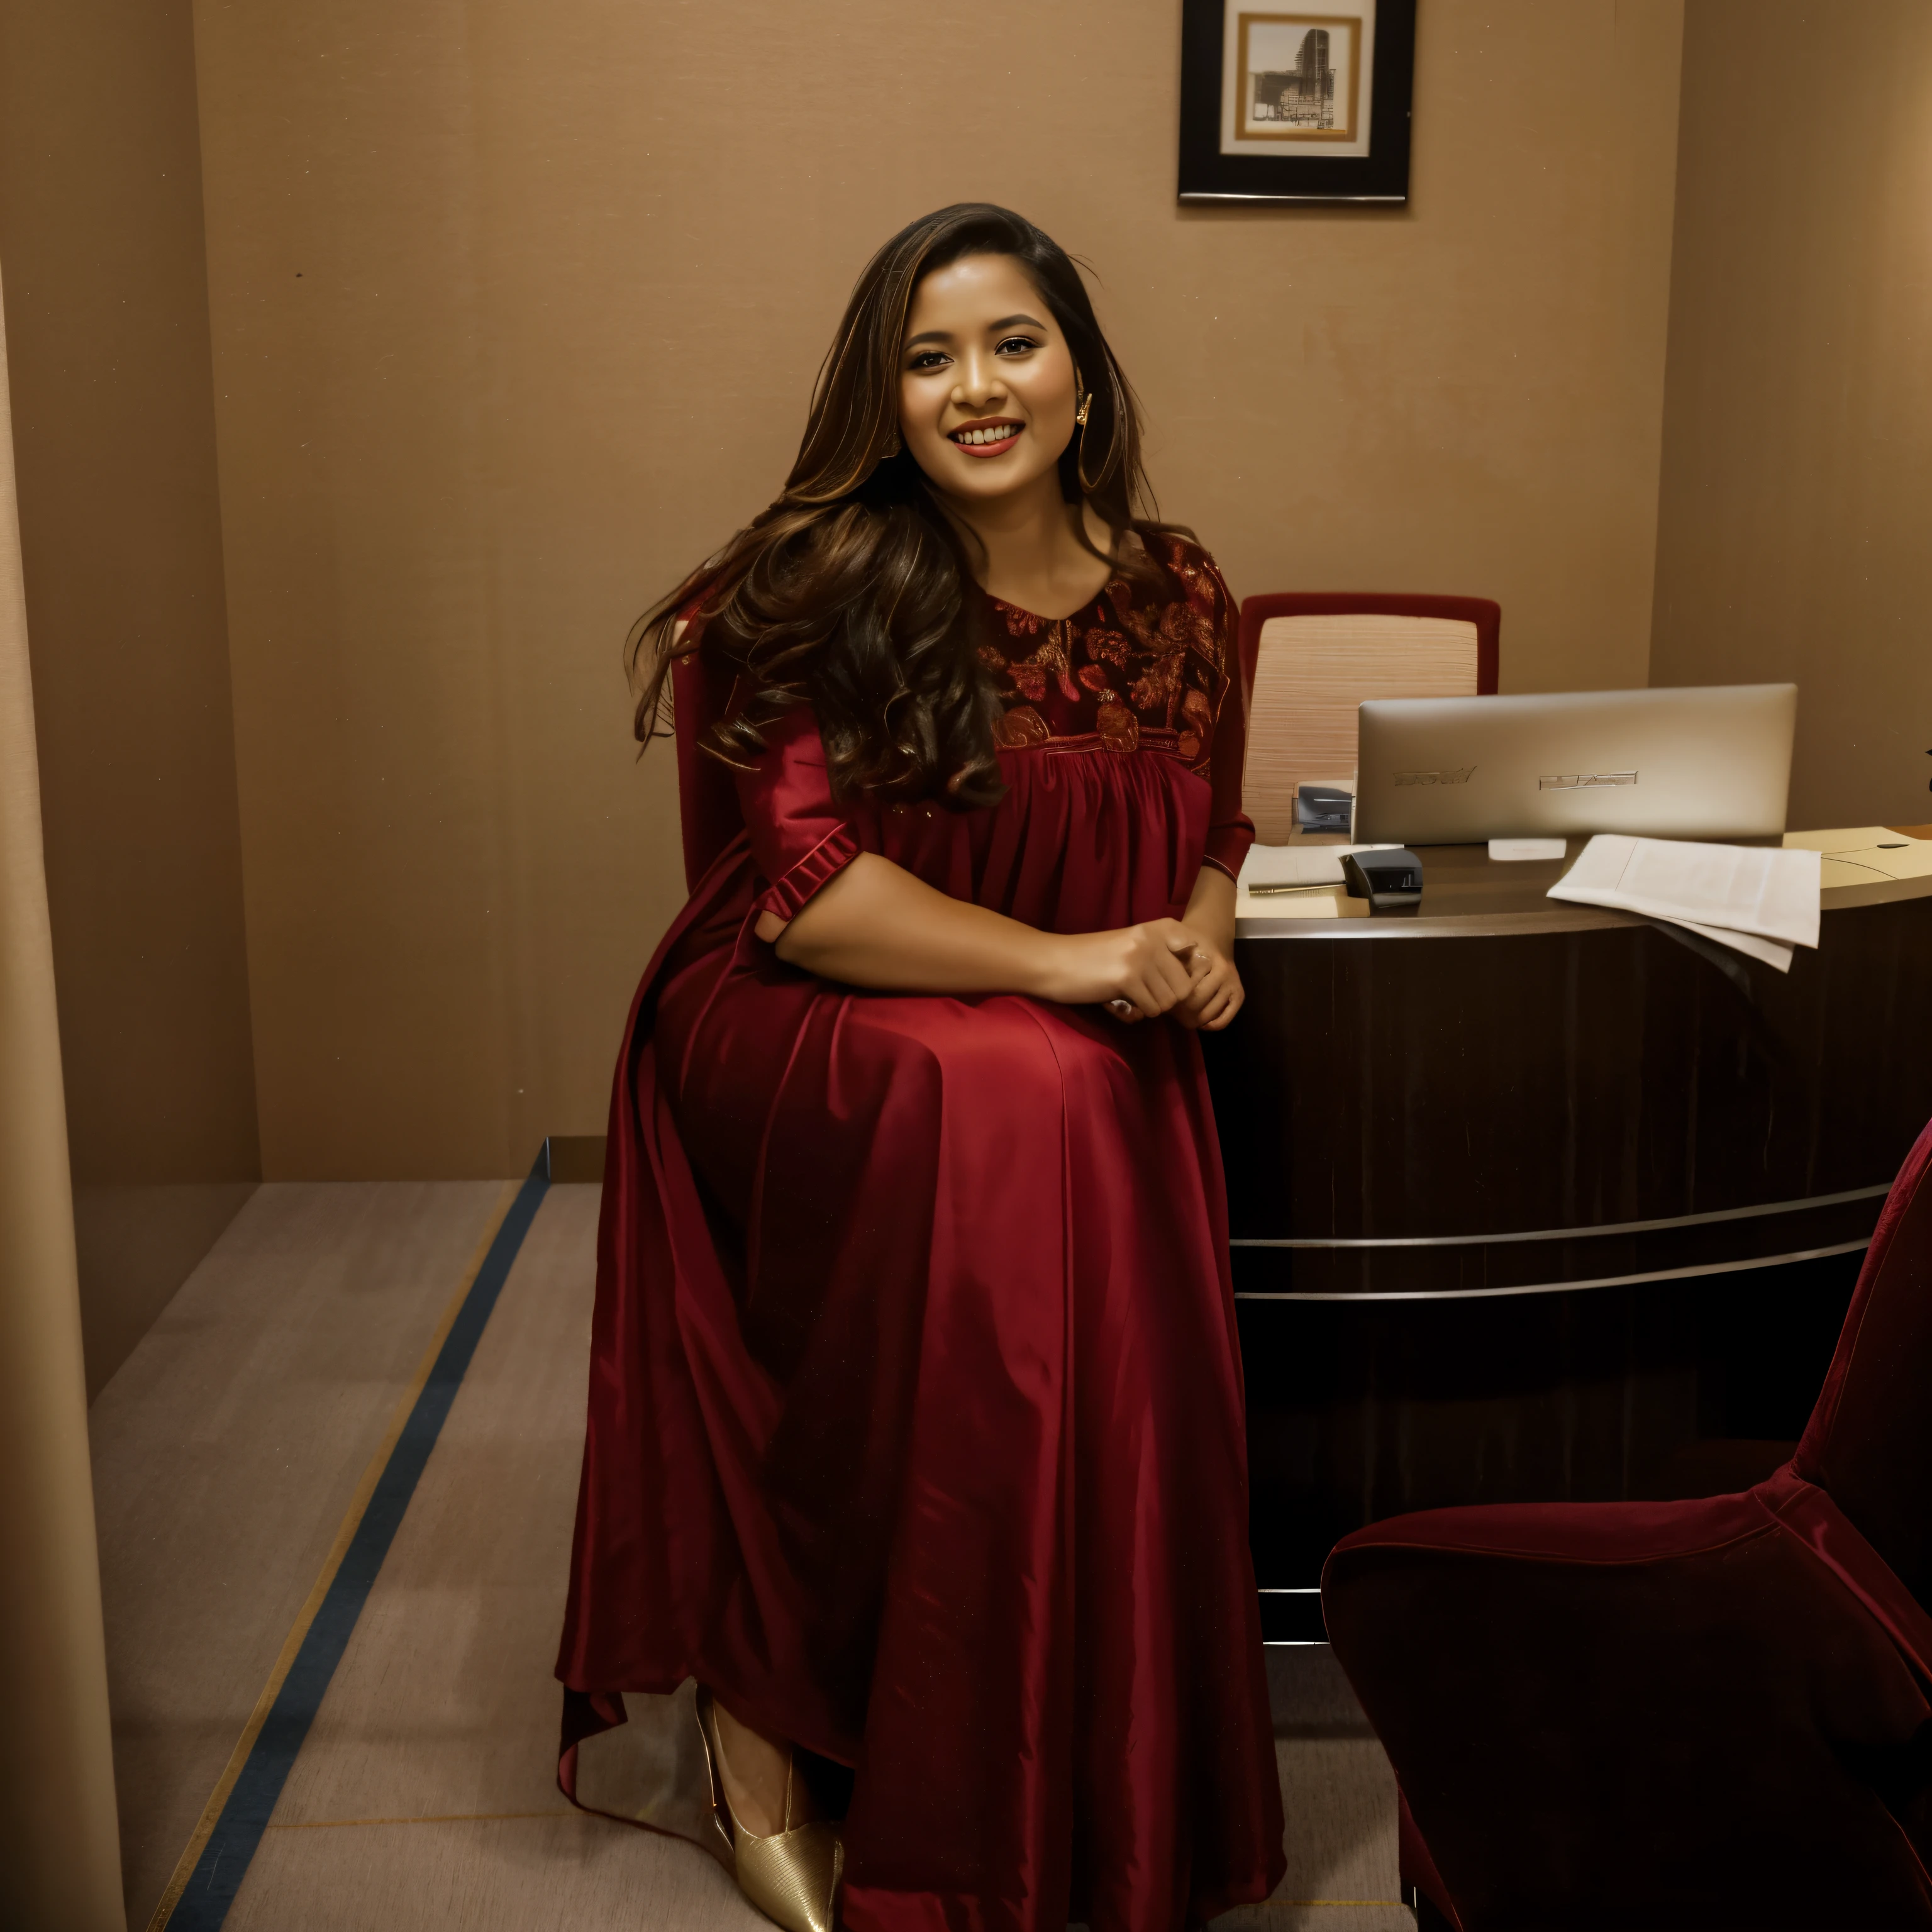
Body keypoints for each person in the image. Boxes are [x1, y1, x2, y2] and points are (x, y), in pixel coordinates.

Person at [556, 203, 1285, 1932]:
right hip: (795, 1020)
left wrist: (1201, 939)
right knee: (1029, 1091)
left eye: (1013, 342)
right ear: (883, 399)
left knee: (1072, 1097)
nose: (976, 385)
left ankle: (1051, 1749)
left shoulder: (1182, 590)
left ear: (1083, 377)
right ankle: (764, 1710)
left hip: (1063, 1034)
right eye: (928, 354)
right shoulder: (802, 588)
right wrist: (1078, 967)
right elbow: (807, 896)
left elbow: (1218, 826)